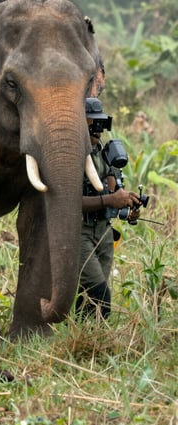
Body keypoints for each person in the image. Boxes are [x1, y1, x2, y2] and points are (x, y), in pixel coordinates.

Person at [78, 97, 141, 319]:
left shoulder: (103, 155)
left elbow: (114, 194)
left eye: (99, 123)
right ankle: (94, 337)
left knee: (89, 294)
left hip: (104, 232)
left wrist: (128, 208)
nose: (97, 129)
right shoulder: (70, 155)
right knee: (99, 292)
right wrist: (110, 201)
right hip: (80, 232)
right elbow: (69, 202)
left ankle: (86, 341)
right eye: (91, 123)